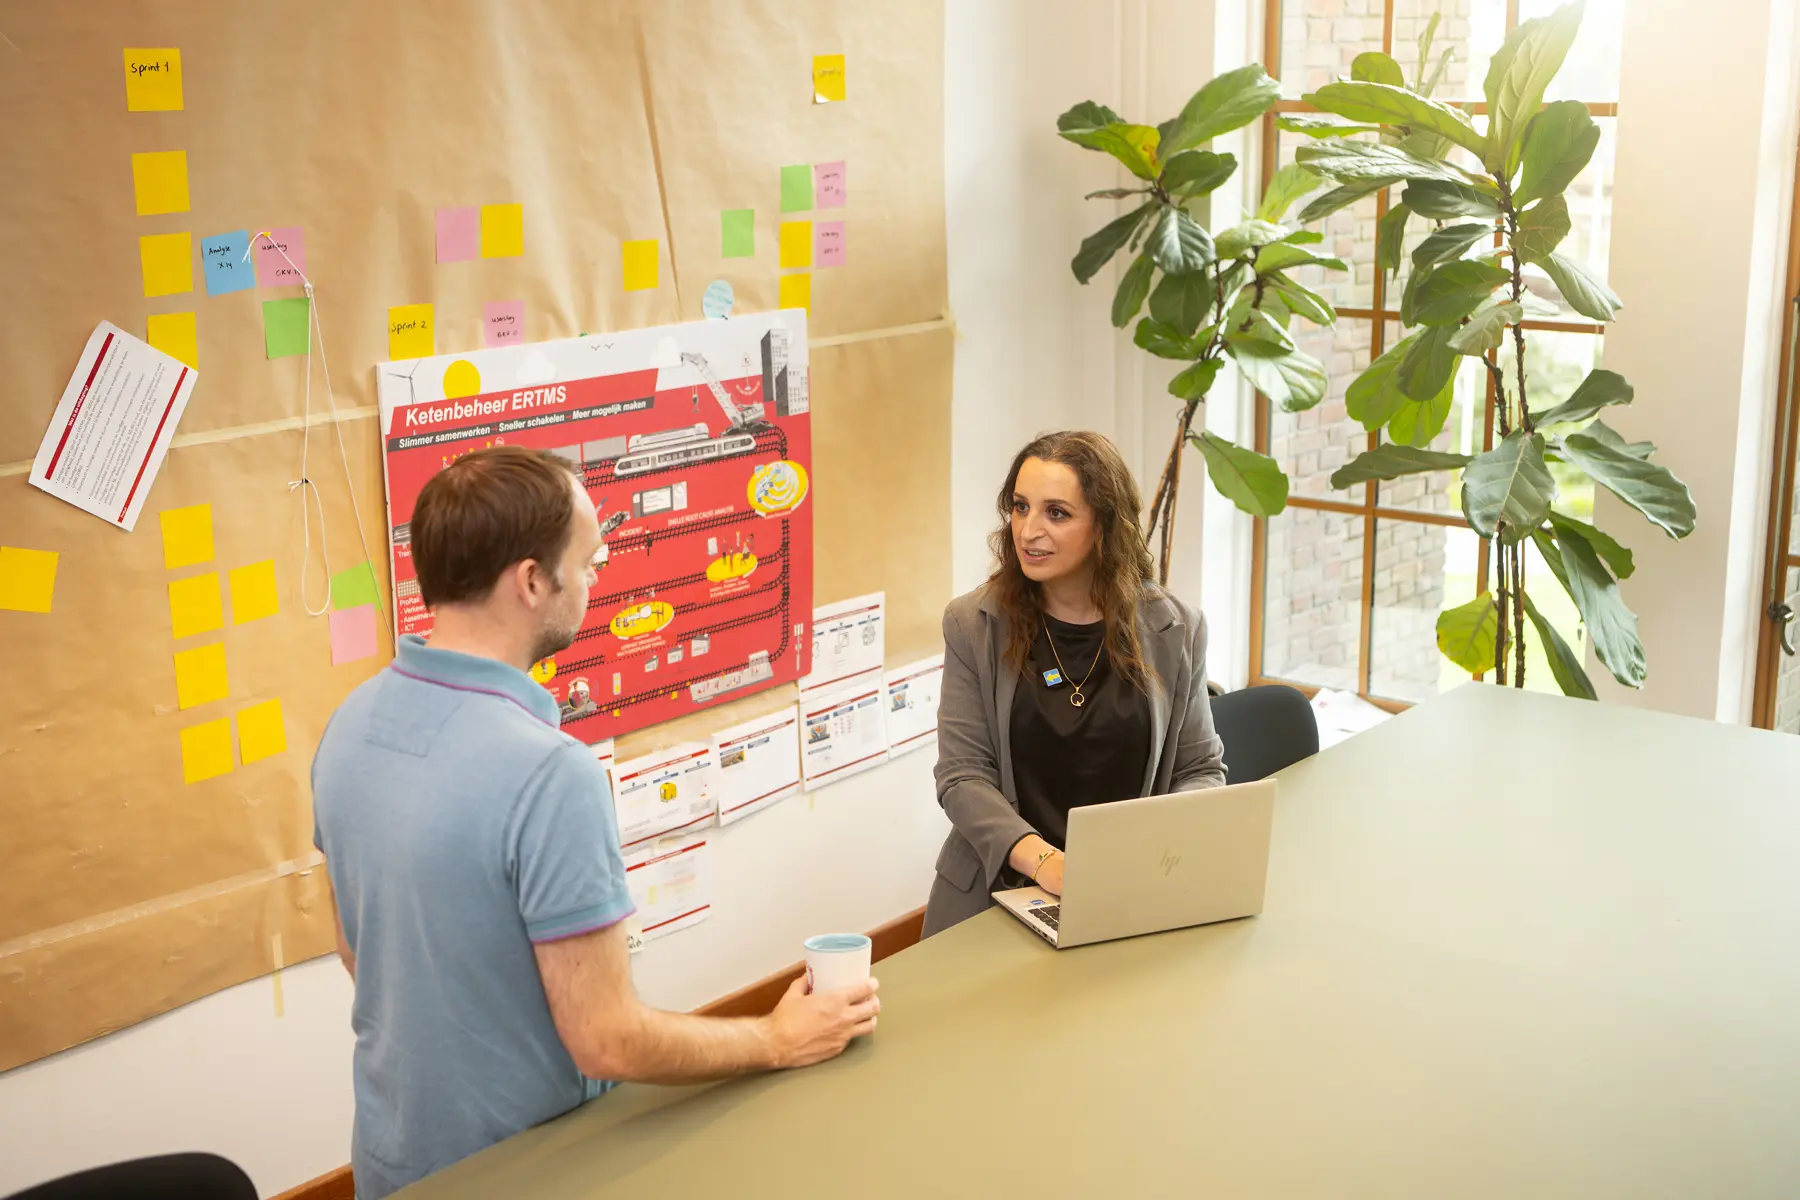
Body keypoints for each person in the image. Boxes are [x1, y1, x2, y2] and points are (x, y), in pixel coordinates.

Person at [312, 446, 879, 1199]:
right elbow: (607, 1038)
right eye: (589, 560)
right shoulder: (549, 773)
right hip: (532, 1168)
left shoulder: (349, 724)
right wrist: (774, 1039)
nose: (594, 576)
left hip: (393, 1162)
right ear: (532, 580)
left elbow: (355, 950)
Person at [922, 431, 1227, 936]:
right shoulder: (973, 623)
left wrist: (1154, 850)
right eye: (1020, 507)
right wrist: (1047, 864)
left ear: (1105, 526)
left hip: (1127, 893)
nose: (1028, 531)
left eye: (1056, 513)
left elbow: (1199, 768)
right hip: (1000, 890)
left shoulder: (1176, 628)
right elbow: (962, 776)